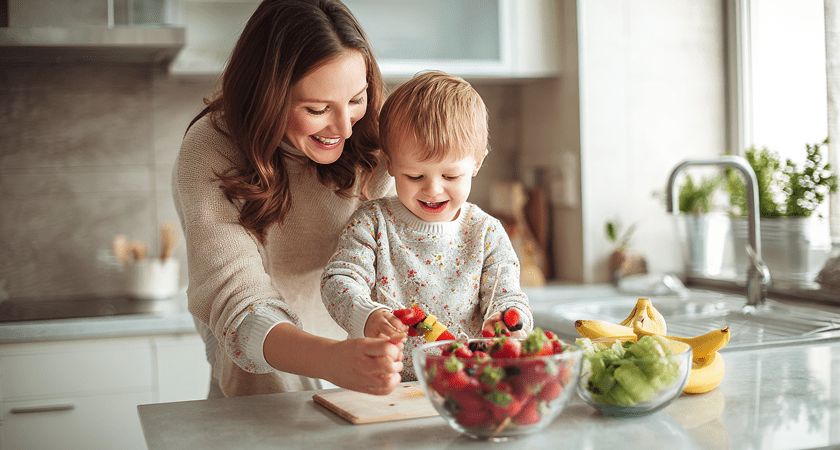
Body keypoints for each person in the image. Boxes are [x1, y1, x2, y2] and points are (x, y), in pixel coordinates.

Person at [172, 0, 405, 398]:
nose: (345, 128)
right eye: (317, 109)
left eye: (356, 99)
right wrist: (333, 360)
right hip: (259, 379)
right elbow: (238, 300)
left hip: (367, 374)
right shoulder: (211, 149)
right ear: (269, 95)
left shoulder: (378, 137)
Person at [321, 71, 533, 380]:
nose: (433, 190)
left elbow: (509, 297)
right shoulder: (373, 223)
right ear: (390, 164)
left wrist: (508, 321)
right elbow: (339, 280)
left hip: (466, 383)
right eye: (415, 176)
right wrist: (369, 315)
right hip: (385, 386)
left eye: (450, 176)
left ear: (476, 163)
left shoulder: (486, 233)